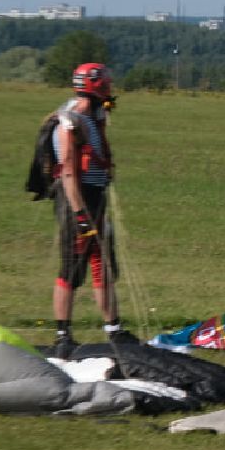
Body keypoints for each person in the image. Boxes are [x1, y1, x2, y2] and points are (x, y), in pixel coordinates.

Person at [47, 62, 136, 357]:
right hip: (78, 199)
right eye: (106, 84)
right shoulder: (70, 123)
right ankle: (63, 335)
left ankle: (113, 329)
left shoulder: (92, 113)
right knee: (72, 265)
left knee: (103, 263)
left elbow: (103, 114)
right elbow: (69, 173)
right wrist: (80, 215)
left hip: (96, 197)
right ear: (96, 85)